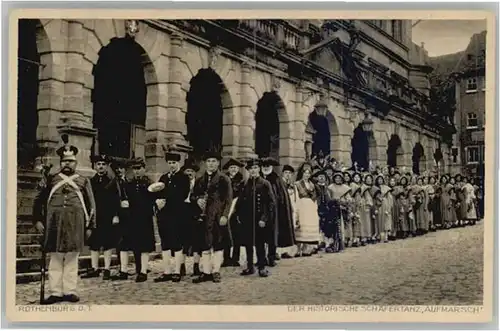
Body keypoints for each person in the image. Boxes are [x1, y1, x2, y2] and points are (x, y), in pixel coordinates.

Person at [33, 143, 96, 304]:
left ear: (76, 163)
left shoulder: (83, 181)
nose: (67, 164)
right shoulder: (51, 180)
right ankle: (56, 292)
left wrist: (90, 226)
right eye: (64, 161)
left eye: (71, 161)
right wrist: (38, 220)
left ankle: (70, 291)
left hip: (75, 225)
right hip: (54, 225)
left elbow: (91, 205)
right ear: (60, 163)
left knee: (72, 258)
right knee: (55, 258)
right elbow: (39, 201)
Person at [191, 152, 233, 284]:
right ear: (205, 163)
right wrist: (197, 200)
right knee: (205, 245)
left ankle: (216, 271)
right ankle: (206, 272)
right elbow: (192, 196)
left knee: (218, 244)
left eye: (214, 161)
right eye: (208, 161)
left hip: (218, 216)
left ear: (218, 163)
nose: (211, 163)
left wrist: (225, 216)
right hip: (204, 217)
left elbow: (228, 199)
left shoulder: (224, 179)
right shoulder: (199, 180)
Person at [235, 158, 276, 277]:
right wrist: (238, 215)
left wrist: (264, 218)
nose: (253, 171)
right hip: (247, 218)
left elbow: (271, 203)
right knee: (248, 243)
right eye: (250, 169)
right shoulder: (245, 184)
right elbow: (240, 201)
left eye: (255, 168)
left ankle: (262, 267)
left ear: (259, 169)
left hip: (259, 219)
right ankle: (249, 266)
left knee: (260, 243)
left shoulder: (264, 183)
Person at [154, 152, 191, 283]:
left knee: (177, 243)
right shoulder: (163, 178)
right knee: (165, 243)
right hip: (164, 215)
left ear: (179, 163)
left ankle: (177, 271)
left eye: (174, 163)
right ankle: (167, 271)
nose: (171, 166)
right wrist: (157, 202)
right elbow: (155, 192)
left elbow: (182, 195)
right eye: (169, 163)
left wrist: (166, 201)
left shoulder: (184, 178)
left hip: (177, 215)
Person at [82, 155, 118, 281]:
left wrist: (115, 215)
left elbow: (115, 200)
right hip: (95, 217)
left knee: (107, 243)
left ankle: (107, 269)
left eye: (103, 164)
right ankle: (94, 268)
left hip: (108, 216)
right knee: (94, 243)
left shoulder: (112, 182)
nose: (101, 166)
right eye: (98, 164)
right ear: (94, 166)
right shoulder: (90, 182)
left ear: (107, 166)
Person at [127, 157, 157, 282]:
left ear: (144, 169)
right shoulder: (129, 184)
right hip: (133, 218)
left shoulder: (150, 184)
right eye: (134, 169)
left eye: (139, 168)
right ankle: (139, 268)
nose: (136, 171)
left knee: (145, 245)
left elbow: (155, 199)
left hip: (145, 217)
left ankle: (143, 271)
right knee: (135, 245)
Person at [260, 157, 295, 266]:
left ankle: (271, 257)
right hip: (260, 211)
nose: (265, 168)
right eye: (264, 166)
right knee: (260, 236)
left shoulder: (276, 179)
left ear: (271, 167)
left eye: (268, 166)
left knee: (271, 235)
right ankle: (261, 259)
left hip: (274, 211)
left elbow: (281, 196)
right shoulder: (259, 178)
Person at [180, 159, 203, 276]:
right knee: (183, 241)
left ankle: (196, 266)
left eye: (191, 171)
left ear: (195, 173)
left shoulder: (199, 183)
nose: (189, 173)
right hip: (183, 213)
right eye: (187, 171)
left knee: (197, 241)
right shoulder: (180, 183)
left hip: (196, 213)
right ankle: (181, 265)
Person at [221, 158, 246, 267]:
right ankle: (226, 258)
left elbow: (243, 196)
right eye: (231, 168)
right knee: (225, 235)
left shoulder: (242, 181)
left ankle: (235, 259)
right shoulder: (224, 179)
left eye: (235, 167)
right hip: (226, 209)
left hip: (237, 210)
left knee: (237, 236)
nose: (233, 169)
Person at [294, 166, 319, 256]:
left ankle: (305, 248)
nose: (307, 175)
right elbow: (296, 197)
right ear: (302, 173)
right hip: (301, 205)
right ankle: (297, 249)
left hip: (310, 206)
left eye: (309, 173)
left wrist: (315, 207)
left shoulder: (312, 185)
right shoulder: (297, 184)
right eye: (305, 173)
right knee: (300, 226)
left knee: (307, 227)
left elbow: (315, 197)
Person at [281, 164, 298, 259]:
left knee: (289, 229)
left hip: (291, 208)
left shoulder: (292, 186)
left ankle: (288, 250)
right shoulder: (280, 184)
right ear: (283, 174)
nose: (287, 175)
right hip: (283, 208)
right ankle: (280, 251)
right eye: (286, 173)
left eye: (289, 173)